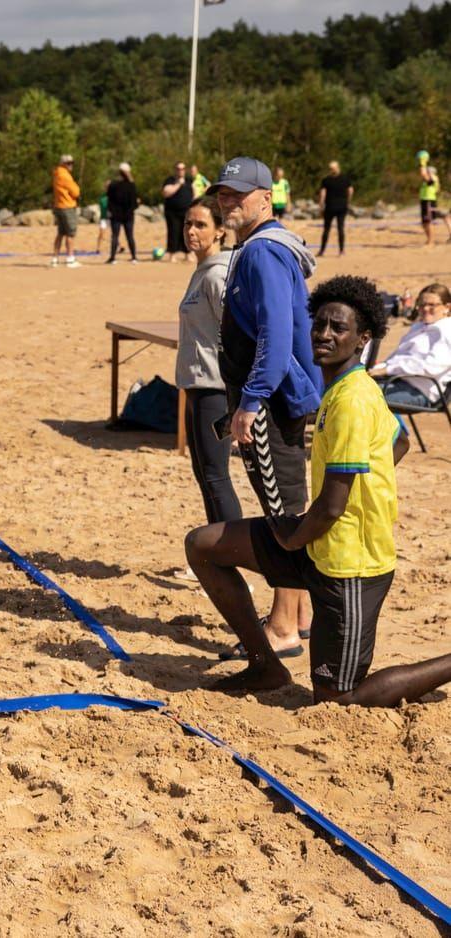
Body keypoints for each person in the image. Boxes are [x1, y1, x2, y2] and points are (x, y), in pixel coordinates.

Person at [187, 274, 451, 705]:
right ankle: (264, 665)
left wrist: (292, 534)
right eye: (320, 325)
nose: (324, 335)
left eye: (338, 328)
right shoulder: (349, 386)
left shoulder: (351, 400)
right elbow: (397, 440)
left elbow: (330, 507)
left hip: (350, 566)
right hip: (317, 542)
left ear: (363, 339)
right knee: (203, 545)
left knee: (335, 699)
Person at [209, 156, 323, 658]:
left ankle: (282, 629)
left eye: (237, 193)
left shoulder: (262, 253)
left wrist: (250, 402)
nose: (226, 201)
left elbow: (277, 336)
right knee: (286, 509)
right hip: (275, 398)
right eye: (222, 193)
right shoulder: (259, 247)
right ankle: (297, 614)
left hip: (273, 403)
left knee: (284, 515)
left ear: (265, 197)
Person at [176, 195, 242, 528]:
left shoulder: (217, 275)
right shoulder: (202, 270)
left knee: (216, 476)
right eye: (188, 223)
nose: (191, 230)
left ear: (219, 231)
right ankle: (215, 556)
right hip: (196, 384)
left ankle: (231, 558)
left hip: (214, 388)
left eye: (201, 224)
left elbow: (236, 333)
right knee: (203, 473)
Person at [370, 282, 451, 407]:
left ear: (447, 308)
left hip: (421, 391)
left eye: (432, 305)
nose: (425, 309)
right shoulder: (418, 327)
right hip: (397, 381)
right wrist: (376, 369)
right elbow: (397, 357)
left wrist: (387, 370)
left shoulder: (446, 331)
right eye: (422, 304)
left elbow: (430, 367)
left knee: (362, 398)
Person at [50, 154, 81, 268]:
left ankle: (55, 258)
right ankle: (70, 258)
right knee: (70, 233)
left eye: (72, 163)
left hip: (59, 206)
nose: (71, 165)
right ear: (63, 164)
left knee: (60, 233)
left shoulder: (57, 174)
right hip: (67, 206)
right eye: (68, 163)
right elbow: (76, 192)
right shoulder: (65, 175)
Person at [104, 162, 139, 264]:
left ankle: (112, 258)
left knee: (115, 236)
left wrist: (110, 211)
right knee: (130, 236)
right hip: (128, 215)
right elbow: (134, 202)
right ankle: (134, 257)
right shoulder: (131, 185)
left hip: (116, 215)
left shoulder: (113, 185)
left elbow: (109, 199)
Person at [317, 161, 353, 256]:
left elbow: (350, 191)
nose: (332, 170)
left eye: (332, 168)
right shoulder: (328, 180)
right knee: (329, 229)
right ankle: (325, 250)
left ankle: (336, 250)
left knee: (337, 229)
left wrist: (321, 205)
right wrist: (348, 202)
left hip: (337, 207)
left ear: (337, 167)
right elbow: (350, 191)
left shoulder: (330, 180)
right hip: (332, 207)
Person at [161, 160, 193, 263]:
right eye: (178, 169)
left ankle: (187, 254)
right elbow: (166, 192)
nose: (180, 171)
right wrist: (178, 184)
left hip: (187, 211)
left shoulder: (189, 180)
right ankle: (172, 255)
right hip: (172, 212)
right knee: (173, 232)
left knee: (187, 233)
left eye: (182, 169)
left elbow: (194, 193)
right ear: (175, 170)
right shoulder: (170, 180)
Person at [418, 161, 451, 247]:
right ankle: (430, 240)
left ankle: (431, 241)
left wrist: (423, 163)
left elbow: (424, 175)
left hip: (429, 200)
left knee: (429, 221)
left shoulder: (433, 177)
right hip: (427, 200)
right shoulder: (431, 178)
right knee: (428, 221)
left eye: (427, 171)